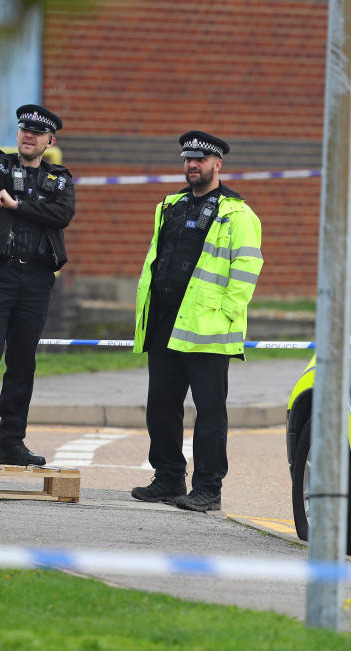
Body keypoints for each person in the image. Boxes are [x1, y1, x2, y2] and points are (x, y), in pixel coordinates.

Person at [131, 131, 263, 511]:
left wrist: (225, 313)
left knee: (209, 413)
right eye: (188, 159)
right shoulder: (170, 205)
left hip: (209, 328)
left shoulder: (236, 213)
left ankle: (208, 489)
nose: (192, 165)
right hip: (164, 322)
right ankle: (169, 477)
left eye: (201, 160)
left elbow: (248, 268)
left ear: (217, 165)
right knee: (161, 406)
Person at [0, 104, 75, 466]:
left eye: (36, 133)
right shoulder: (0, 166)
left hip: (36, 280)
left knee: (22, 364)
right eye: (24, 130)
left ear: (49, 141)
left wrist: (16, 204)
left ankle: (11, 443)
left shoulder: (60, 178)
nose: (28, 136)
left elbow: (61, 215)